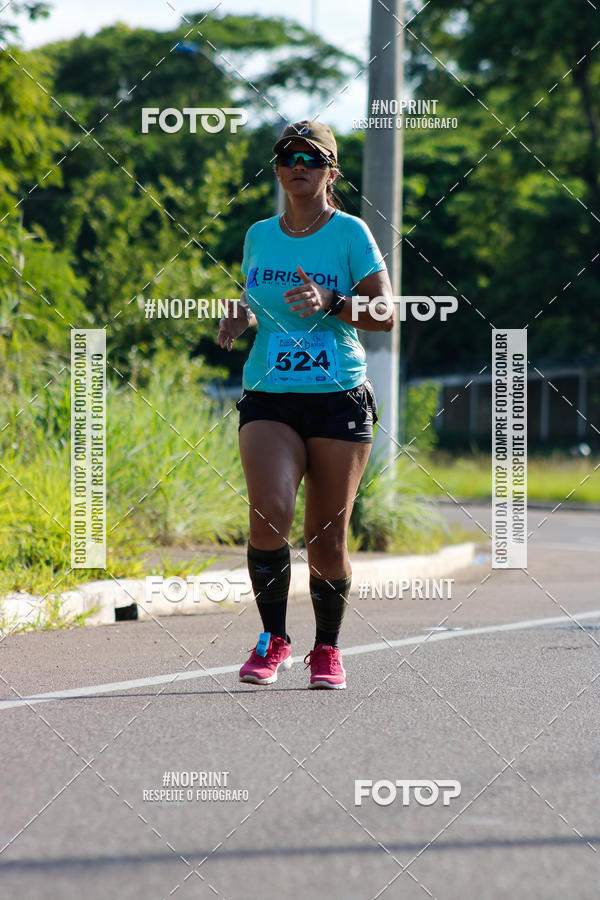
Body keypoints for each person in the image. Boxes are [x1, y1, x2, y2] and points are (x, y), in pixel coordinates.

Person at [217, 120, 394, 689]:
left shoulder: (350, 234)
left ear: (330, 172)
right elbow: (256, 297)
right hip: (269, 393)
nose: (299, 166)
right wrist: (241, 315)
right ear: (277, 168)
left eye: (312, 159)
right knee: (269, 511)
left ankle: (327, 648)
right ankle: (273, 640)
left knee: (326, 537)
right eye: (289, 156)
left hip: (337, 395)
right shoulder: (259, 234)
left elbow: (386, 314)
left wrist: (333, 300)